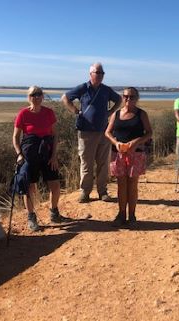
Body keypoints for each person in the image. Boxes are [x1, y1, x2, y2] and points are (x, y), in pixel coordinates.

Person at [61, 63, 122, 203]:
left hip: (103, 132)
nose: (100, 75)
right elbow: (65, 98)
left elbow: (119, 99)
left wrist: (111, 112)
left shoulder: (106, 90)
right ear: (91, 74)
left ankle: (102, 191)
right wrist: (76, 111)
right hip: (86, 132)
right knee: (86, 163)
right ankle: (85, 192)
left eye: (102, 73)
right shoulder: (83, 88)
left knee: (103, 163)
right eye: (97, 72)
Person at [13, 86, 68, 232]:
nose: (36, 97)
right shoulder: (23, 114)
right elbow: (15, 137)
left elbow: (55, 135)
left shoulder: (49, 113)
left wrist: (54, 155)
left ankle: (54, 213)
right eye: (33, 94)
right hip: (29, 156)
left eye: (39, 94)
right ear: (28, 97)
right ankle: (31, 217)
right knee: (30, 187)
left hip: (47, 154)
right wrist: (19, 154)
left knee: (55, 185)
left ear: (43, 96)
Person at [105, 87, 153, 227]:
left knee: (132, 185)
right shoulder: (117, 114)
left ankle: (132, 216)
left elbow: (149, 133)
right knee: (121, 185)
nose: (128, 99)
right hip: (118, 154)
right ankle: (121, 214)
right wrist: (116, 142)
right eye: (126, 96)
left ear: (137, 98)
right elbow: (107, 132)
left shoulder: (141, 114)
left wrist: (136, 142)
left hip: (136, 153)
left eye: (132, 97)